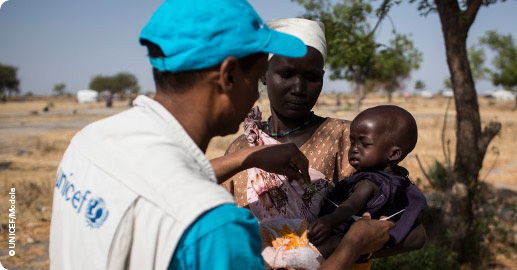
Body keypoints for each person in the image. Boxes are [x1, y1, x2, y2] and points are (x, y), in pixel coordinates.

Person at [49, 1, 393, 269]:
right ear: (229, 76)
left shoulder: (89, 143)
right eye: (260, 74)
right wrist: (351, 248)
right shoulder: (214, 226)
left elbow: (155, 183)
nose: (255, 96)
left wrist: (248, 157)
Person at [222, 17, 426, 257]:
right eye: (286, 74)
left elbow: (414, 234)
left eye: (311, 77)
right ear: (264, 75)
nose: (299, 88)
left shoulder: (349, 140)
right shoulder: (242, 150)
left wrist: (351, 248)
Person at [307, 105, 427, 261]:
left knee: (312, 252)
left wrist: (328, 221)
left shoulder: (368, 183)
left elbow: (350, 207)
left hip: (341, 240)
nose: (354, 149)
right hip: (368, 245)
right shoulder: (398, 180)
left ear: (394, 154)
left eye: (365, 144)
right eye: (352, 142)